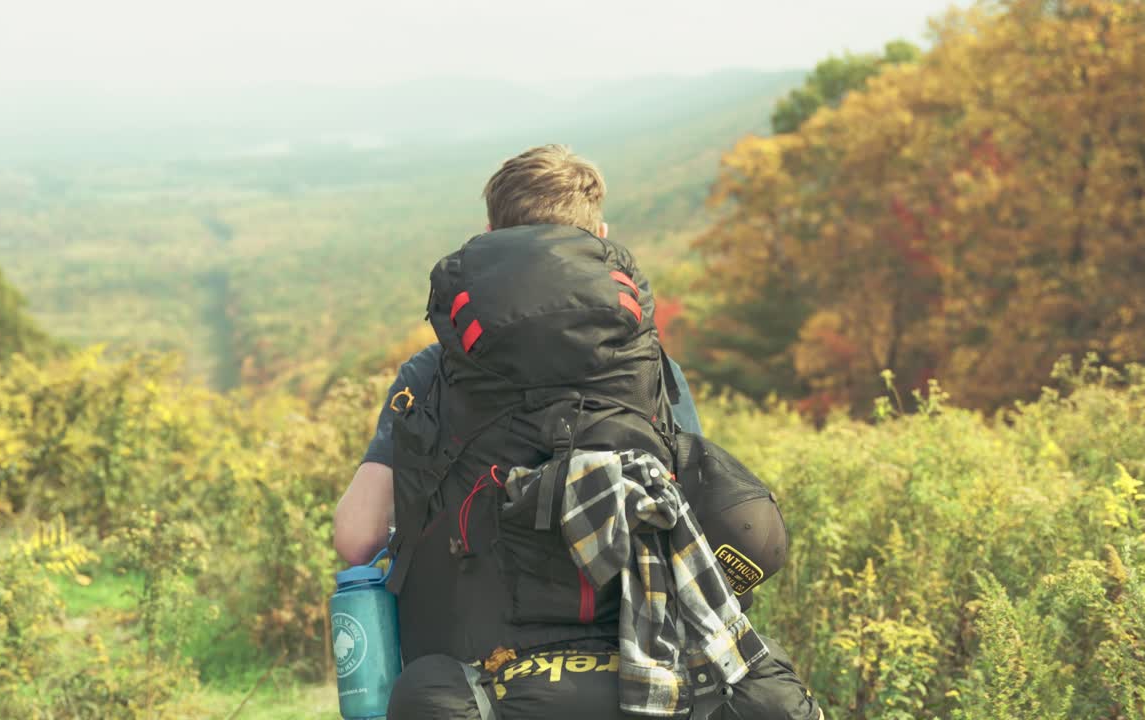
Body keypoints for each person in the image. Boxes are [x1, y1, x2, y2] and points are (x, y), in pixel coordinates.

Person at [334, 145, 821, 719]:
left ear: (491, 235)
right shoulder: (653, 372)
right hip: (647, 677)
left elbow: (357, 536)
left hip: (474, 686)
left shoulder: (429, 373)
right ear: (600, 235)